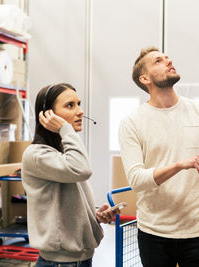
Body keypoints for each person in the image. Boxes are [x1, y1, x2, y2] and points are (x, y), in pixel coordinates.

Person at [118, 46, 199, 267]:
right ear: (145, 78)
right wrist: (179, 165)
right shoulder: (132, 122)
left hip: (198, 230)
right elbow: (137, 180)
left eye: (167, 57)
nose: (168, 61)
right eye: (158, 61)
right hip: (154, 233)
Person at [22, 83, 118, 267]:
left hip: (79, 259)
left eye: (78, 103)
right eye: (70, 105)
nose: (80, 111)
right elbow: (82, 169)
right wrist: (65, 129)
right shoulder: (36, 155)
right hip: (61, 263)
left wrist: (94, 215)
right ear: (48, 114)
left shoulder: (62, 152)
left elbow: (65, 200)